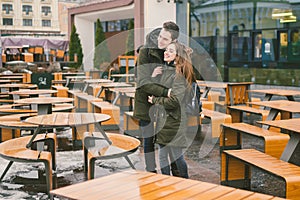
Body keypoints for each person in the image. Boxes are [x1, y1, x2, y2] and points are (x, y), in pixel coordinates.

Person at [133, 21, 180, 173]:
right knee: (148, 139)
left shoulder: (172, 52)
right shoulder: (145, 51)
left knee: (168, 137)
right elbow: (142, 82)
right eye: (160, 36)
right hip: (145, 102)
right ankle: (151, 171)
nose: (161, 41)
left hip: (163, 103)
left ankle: (176, 172)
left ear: (173, 41)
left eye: (165, 39)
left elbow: (180, 73)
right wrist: (166, 91)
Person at [148, 41, 195, 178]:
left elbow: (175, 101)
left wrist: (155, 100)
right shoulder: (168, 71)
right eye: (166, 50)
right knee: (162, 156)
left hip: (174, 122)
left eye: (170, 51)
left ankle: (185, 181)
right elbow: (162, 90)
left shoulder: (178, 75)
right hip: (165, 120)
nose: (166, 52)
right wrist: (153, 77)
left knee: (177, 157)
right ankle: (166, 182)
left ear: (177, 56)